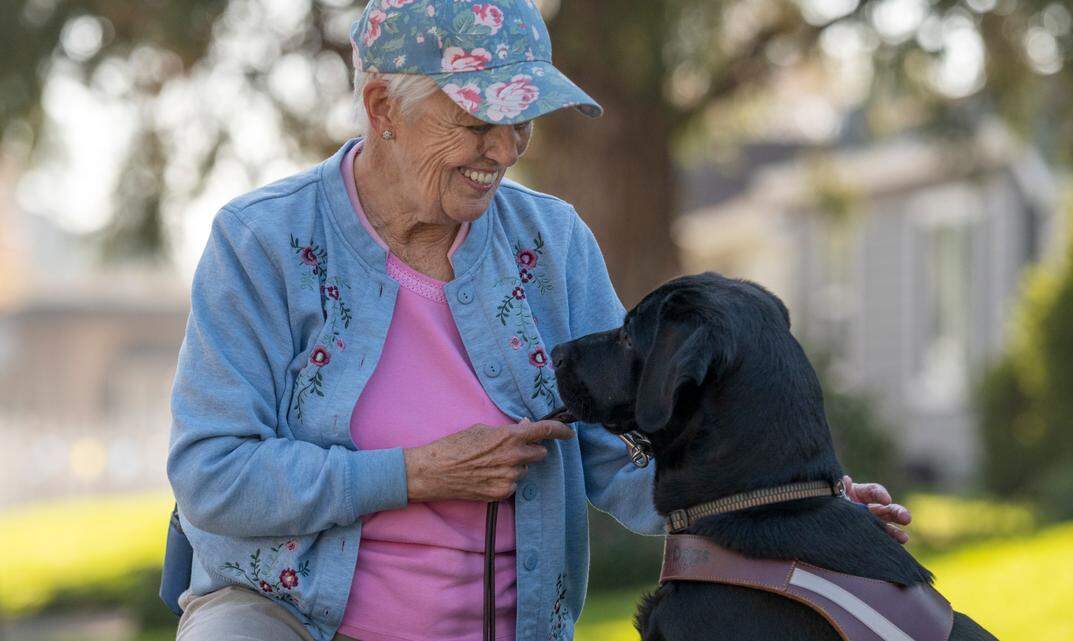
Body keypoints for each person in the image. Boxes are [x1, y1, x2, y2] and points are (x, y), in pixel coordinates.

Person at [166, 1, 912, 640]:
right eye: (476, 121)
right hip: (281, 615)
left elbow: (625, 442)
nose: (504, 149)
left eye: (520, 119)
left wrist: (800, 506)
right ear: (383, 109)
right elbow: (212, 471)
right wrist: (414, 473)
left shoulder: (551, 244)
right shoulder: (263, 242)